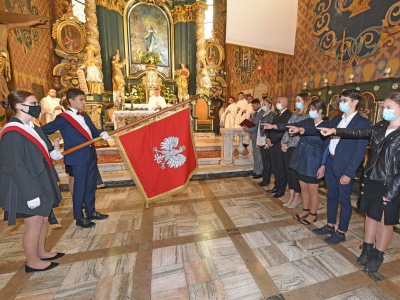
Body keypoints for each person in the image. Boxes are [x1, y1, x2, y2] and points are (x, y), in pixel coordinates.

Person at [318, 92, 400, 272]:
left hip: (390, 183)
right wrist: (335, 130)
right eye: (384, 107)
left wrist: (392, 192)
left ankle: (378, 255)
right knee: (371, 217)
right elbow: (359, 132)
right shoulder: (380, 127)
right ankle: (367, 248)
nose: (384, 111)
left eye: (389, 108)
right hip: (372, 178)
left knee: (384, 222)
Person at [291, 89, 371, 244]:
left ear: (355, 102)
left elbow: (359, 152)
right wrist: (301, 129)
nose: (341, 103)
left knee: (344, 200)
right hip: (331, 162)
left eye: (344, 100)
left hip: (345, 166)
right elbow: (318, 132)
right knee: (331, 196)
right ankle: (330, 226)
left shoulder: (362, 123)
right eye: (340, 100)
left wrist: (349, 172)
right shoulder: (335, 120)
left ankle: (341, 232)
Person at [0, 90, 64, 272]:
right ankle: (32, 261)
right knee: (34, 223)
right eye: (34, 104)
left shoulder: (33, 127)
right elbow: (15, 166)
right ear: (20, 106)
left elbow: (45, 146)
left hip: (40, 179)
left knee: (43, 218)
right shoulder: (12, 132)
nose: (37, 107)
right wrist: (30, 194)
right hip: (25, 184)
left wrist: (53, 152)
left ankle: (41, 252)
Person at [42, 88, 110, 228]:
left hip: (90, 154)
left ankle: (91, 212)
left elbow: (93, 132)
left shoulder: (85, 116)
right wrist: (51, 150)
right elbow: (42, 132)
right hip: (77, 157)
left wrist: (102, 134)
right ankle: (79, 217)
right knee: (80, 187)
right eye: (81, 100)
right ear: (71, 101)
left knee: (91, 185)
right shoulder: (63, 118)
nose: (84, 103)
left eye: (84, 99)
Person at [265, 99, 329, 224]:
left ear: (320, 110)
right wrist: (274, 126)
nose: (310, 112)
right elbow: (291, 125)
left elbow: (324, 144)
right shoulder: (308, 121)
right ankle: (305, 210)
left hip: (315, 159)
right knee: (303, 187)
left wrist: (323, 165)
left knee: (312, 189)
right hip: (302, 157)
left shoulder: (327, 124)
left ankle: (313, 213)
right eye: (310, 109)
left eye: (313, 109)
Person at [0, 17, 47, 100]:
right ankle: (6, 92)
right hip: (2, 53)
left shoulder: (5, 26)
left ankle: (5, 93)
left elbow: (24, 24)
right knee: (0, 75)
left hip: (1, 53)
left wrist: (37, 21)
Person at [280, 93, 310, 208]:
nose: (296, 102)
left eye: (298, 100)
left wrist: (289, 145)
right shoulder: (294, 115)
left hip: (296, 148)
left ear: (305, 102)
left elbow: (300, 135)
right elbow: (287, 129)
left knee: (295, 174)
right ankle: (291, 196)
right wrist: (283, 143)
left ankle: (297, 197)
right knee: (288, 172)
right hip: (287, 147)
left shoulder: (307, 117)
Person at [266, 97, 292, 198]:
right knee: (275, 167)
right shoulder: (277, 115)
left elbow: (283, 130)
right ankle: (276, 186)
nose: (277, 104)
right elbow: (271, 128)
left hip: (279, 144)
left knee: (281, 168)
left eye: (279, 102)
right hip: (272, 144)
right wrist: (268, 138)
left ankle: (281, 189)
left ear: (285, 103)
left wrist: (272, 141)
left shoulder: (288, 115)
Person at [243, 99, 263, 179]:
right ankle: (255, 171)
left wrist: (247, 129)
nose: (253, 108)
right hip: (254, 137)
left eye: (254, 106)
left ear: (258, 104)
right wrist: (249, 122)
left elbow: (256, 126)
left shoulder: (262, 113)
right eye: (252, 106)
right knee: (255, 155)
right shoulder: (255, 113)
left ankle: (259, 172)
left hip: (258, 137)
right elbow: (253, 123)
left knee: (258, 156)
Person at [257, 98, 275, 186]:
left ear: (270, 105)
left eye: (265, 104)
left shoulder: (272, 115)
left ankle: (266, 180)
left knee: (267, 161)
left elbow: (271, 129)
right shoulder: (263, 115)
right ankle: (264, 178)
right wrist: (258, 141)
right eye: (262, 104)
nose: (263, 105)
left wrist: (268, 142)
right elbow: (259, 128)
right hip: (261, 140)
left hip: (266, 140)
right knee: (264, 160)